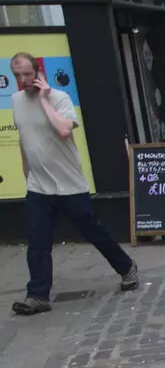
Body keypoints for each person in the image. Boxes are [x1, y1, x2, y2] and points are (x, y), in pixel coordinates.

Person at [9, 51, 138, 315]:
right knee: (38, 241)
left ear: (38, 73)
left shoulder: (60, 99)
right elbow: (25, 140)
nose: (23, 80)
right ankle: (37, 295)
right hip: (38, 186)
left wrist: (44, 99)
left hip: (69, 185)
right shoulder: (16, 100)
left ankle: (126, 267)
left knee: (92, 231)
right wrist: (27, 175)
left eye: (28, 74)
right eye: (18, 75)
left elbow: (64, 130)